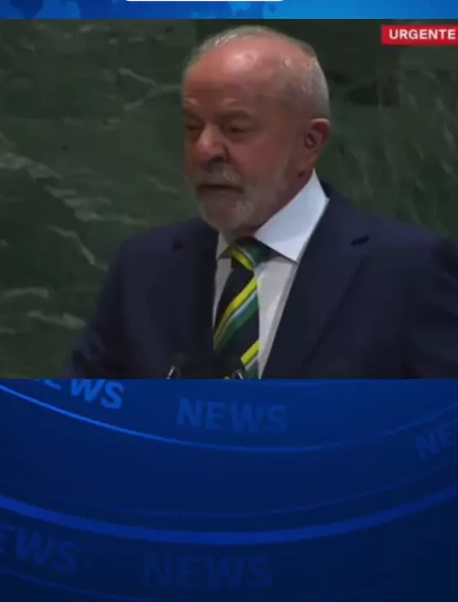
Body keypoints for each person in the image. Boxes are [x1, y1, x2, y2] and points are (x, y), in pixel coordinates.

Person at [69, 25, 458, 379]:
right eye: (192, 128)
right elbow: (82, 416)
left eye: (236, 128)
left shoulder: (410, 272)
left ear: (309, 143)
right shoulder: (144, 268)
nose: (204, 150)